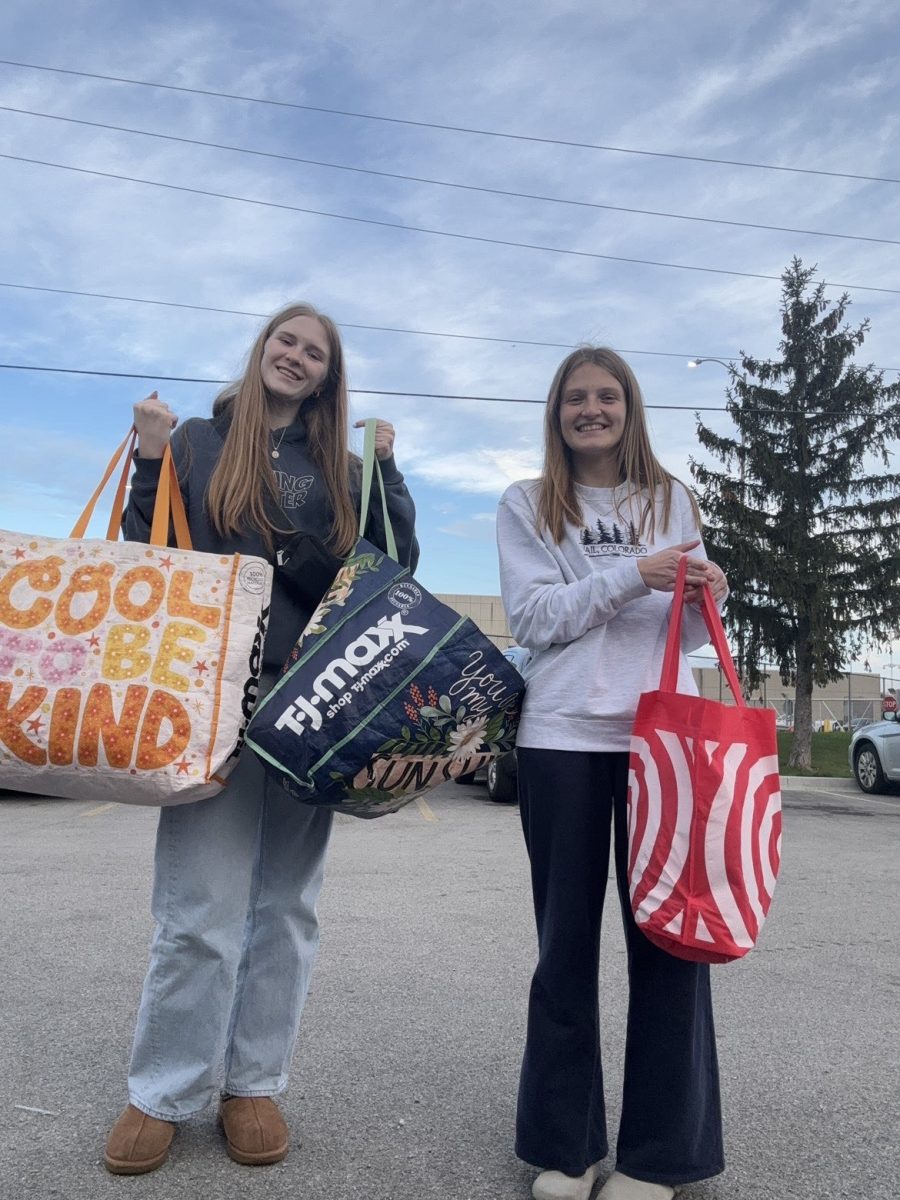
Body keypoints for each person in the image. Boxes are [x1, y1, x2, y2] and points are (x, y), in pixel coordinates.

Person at [104, 302, 419, 1175]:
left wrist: (385, 471)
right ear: (263, 349)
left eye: (315, 352)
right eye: (287, 340)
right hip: (213, 701)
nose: (297, 357)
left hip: (314, 704)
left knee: (285, 908)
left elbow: (393, 566)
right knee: (199, 911)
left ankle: (252, 1084)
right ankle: (164, 1090)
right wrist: (150, 458)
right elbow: (148, 553)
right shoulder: (203, 442)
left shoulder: (338, 465)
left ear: (328, 375)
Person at [496, 347, 728, 1200]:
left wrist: (709, 598)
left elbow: (685, 635)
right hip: (561, 736)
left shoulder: (673, 500)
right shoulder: (528, 503)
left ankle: (661, 1156)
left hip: (661, 740)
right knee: (565, 946)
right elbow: (533, 619)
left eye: (607, 397)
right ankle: (565, 1145)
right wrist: (637, 572)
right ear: (557, 413)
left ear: (630, 408)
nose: (591, 410)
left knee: (671, 942)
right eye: (575, 398)